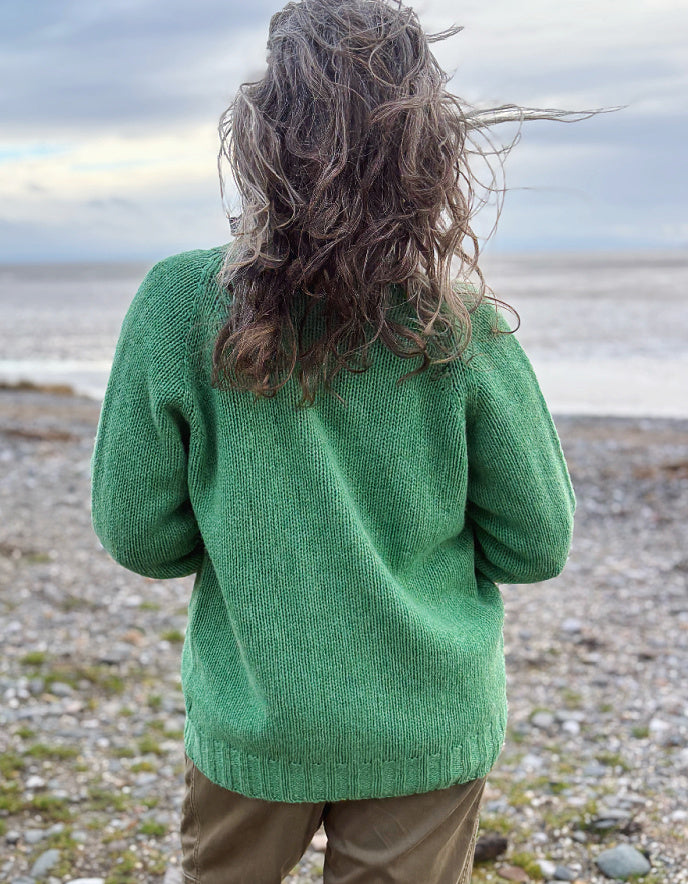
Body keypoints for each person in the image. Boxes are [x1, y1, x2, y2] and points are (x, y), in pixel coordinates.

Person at [90, 1, 579, 881]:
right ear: (430, 145)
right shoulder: (459, 323)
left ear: (260, 129)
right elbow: (536, 543)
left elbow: (142, 537)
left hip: (259, 714)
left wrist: (262, 532)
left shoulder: (177, 302)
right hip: (426, 719)